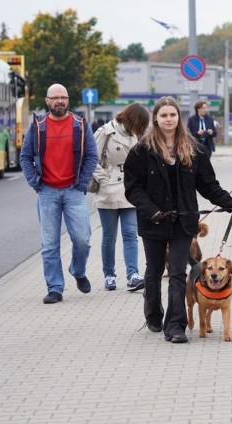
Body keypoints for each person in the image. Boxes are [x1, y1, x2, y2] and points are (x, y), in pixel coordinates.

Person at [123, 97, 232, 343]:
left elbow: (207, 184)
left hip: (184, 222)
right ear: (156, 118)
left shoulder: (193, 148)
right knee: (154, 271)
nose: (168, 119)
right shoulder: (141, 151)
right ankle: (154, 314)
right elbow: (133, 189)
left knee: (177, 272)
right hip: (154, 221)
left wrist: (229, 203)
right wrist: (152, 210)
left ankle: (175, 326)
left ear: (179, 118)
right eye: (164, 115)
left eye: (173, 115)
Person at [19, 83, 98, 304]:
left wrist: (82, 183)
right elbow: (24, 157)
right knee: (49, 244)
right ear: (47, 101)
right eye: (55, 98)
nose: (59, 101)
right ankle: (55, 288)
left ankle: (78, 270)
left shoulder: (80, 125)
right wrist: (35, 181)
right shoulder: (38, 126)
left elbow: (92, 155)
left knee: (83, 239)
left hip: (73, 190)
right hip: (47, 192)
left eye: (63, 97)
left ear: (68, 100)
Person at [92, 103, 150, 292]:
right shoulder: (106, 132)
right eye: (139, 124)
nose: (140, 128)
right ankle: (109, 275)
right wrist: (104, 178)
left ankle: (133, 275)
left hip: (130, 188)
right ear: (131, 119)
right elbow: (90, 157)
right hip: (108, 188)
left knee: (130, 233)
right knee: (109, 236)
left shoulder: (137, 134)